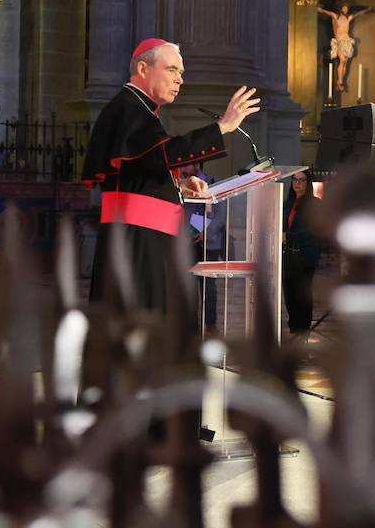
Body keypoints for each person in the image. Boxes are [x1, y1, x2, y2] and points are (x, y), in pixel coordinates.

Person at [81, 39, 259, 313]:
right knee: (139, 323)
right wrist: (221, 127)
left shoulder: (138, 110)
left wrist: (179, 185)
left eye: (181, 73)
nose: (180, 80)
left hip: (143, 239)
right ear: (143, 68)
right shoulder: (128, 108)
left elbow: (141, 167)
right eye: (172, 70)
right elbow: (165, 151)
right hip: (135, 242)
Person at [180, 161, 225, 331]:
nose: (182, 168)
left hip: (209, 243)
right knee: (188, 285)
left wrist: (207, 232)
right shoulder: (182, 186)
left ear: (197, 165)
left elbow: (221, 215)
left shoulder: (214, 183)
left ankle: (211, 325)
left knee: (209, 287)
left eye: (186, 165)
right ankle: (191, 325)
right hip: (188, 243)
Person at [282, 170, 322, 334]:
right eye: (295, 179)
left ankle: (303, 334)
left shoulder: (314, 204)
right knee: (290, 296)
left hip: (305, 257)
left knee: (303, 297)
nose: (297, 183)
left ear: (308, 183)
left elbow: (314, 230)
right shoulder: (287, 203)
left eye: (302, 180)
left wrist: (289, 237)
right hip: (288, 256)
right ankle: (294, 331)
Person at [316, 2, 375, 93]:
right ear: (341, 8)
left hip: (346, 41)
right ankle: (340, 81)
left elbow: (358, 14)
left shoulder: (348, 18)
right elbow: (326, 12)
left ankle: (340, 80)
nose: (345, 10)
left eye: (346, 9)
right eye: (344, 8)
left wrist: (368, 10)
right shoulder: (335, 16)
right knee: (342, 59)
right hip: (339, 41)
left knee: (345, 61)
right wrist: (320, 10)